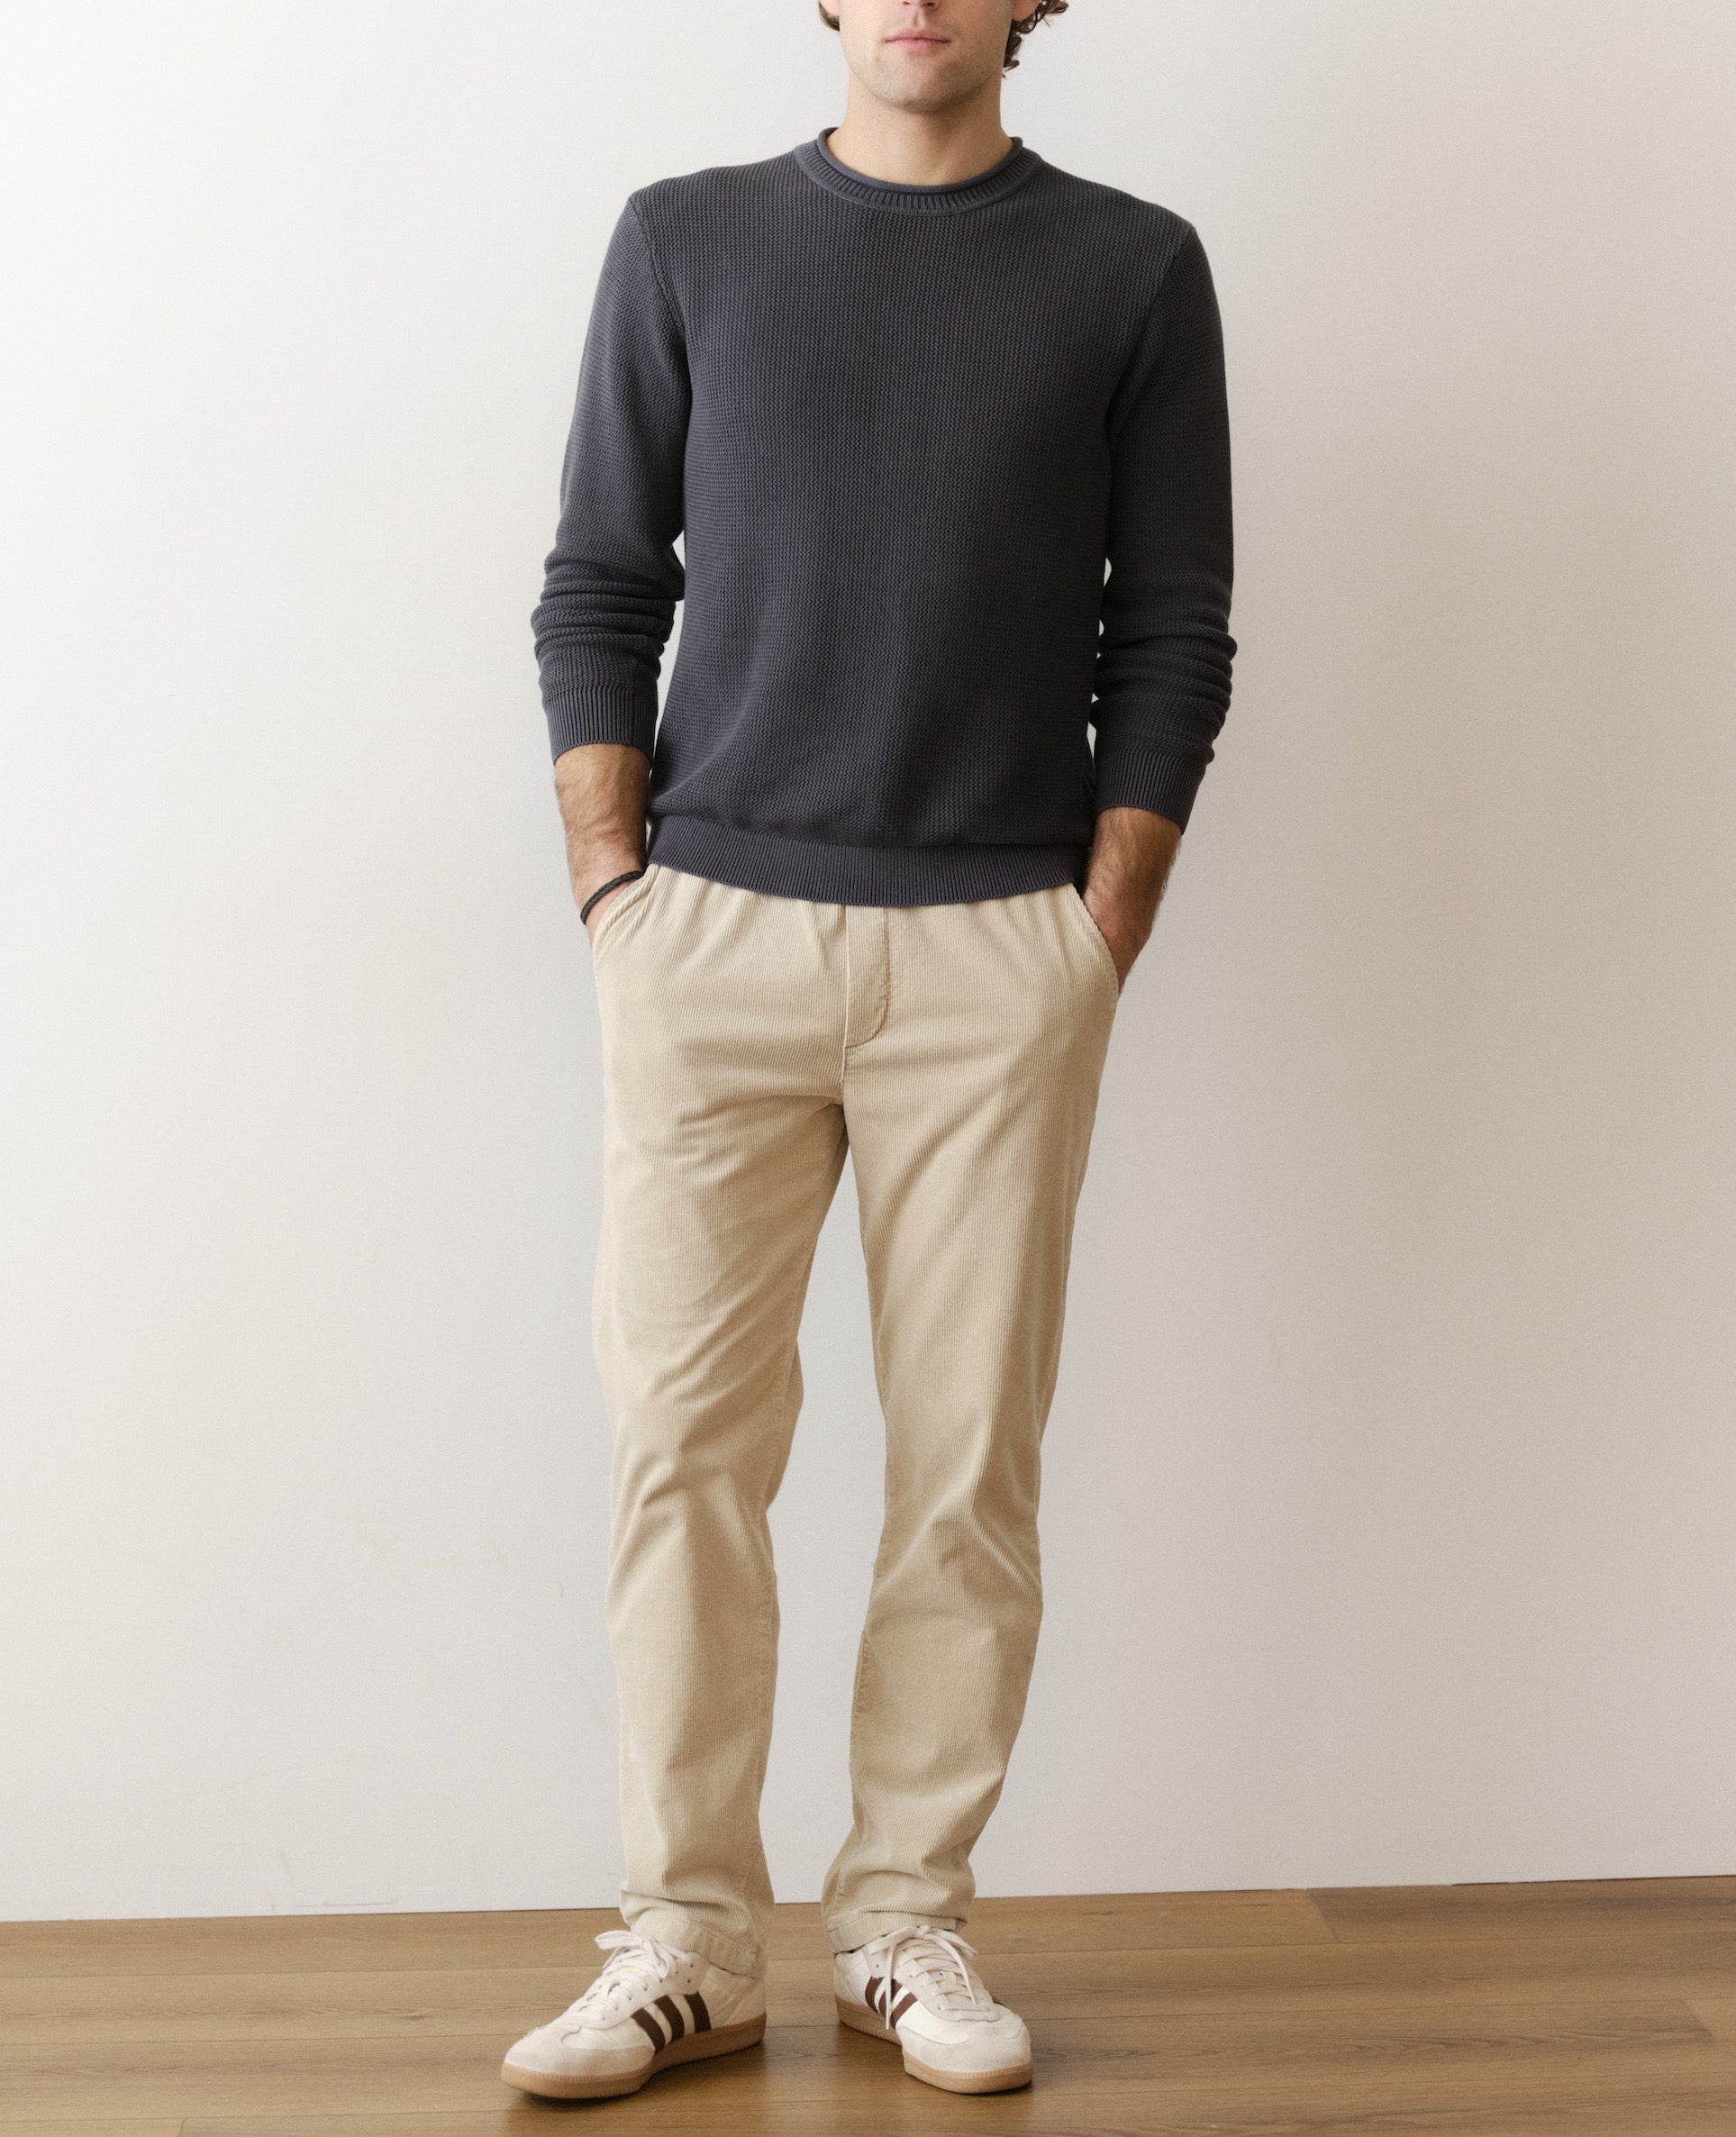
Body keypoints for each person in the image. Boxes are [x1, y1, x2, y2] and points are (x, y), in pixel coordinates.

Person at [502, 0, 1234, 2103]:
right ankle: (688, 1936)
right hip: (709, 933)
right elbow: (598, 582)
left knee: (965, 1462)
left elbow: (1170, 622)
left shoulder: (1130, 268)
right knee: (682, 1445)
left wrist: (1096, 923)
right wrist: (616, 883)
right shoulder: (685, 240)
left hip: (997, 949)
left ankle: (905, 1919)